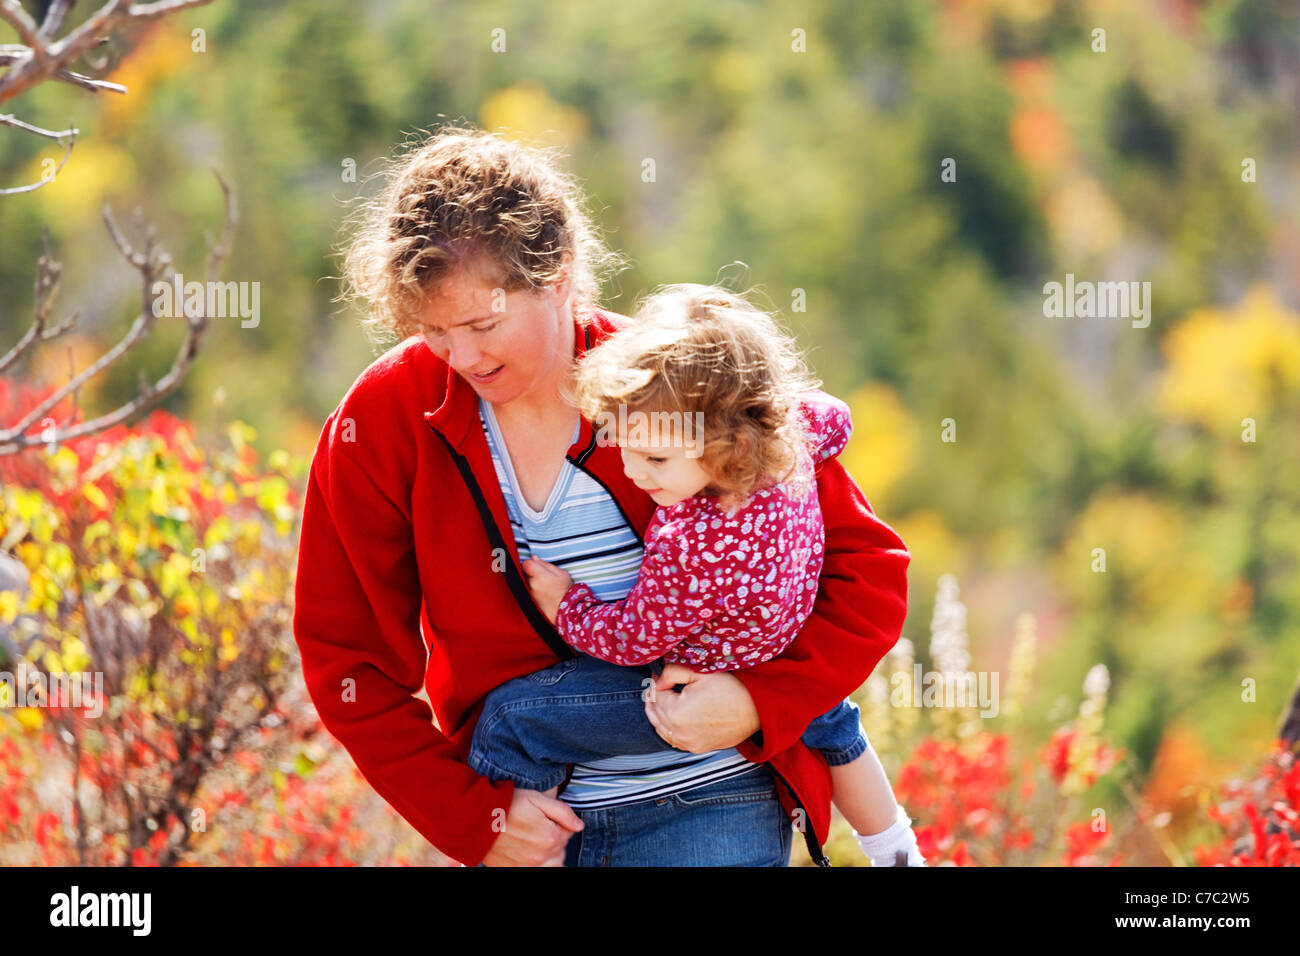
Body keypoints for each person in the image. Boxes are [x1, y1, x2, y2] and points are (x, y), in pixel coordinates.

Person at [292, 125, 911, 866]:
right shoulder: (382, 419)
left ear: (557, 275)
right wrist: (471, 818)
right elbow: (345, 660)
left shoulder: (679, 379)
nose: (462, 358)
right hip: (529, 828)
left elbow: (867, 571)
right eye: (433, 331)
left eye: (485, 324)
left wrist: (758, 701)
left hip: (716, 795)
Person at [466, 284, 925, 866]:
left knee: (513, 720)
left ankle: (536, 852)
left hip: (695, 679)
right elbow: (833, 416)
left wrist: (567, 605)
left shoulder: (694, 541)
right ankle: (894, 847)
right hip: (782, 651)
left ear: (728, 440)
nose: (634, 472)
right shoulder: (793, 438)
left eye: (655, 458)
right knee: (832, 721)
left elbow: (635, 638)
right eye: (622, 446)